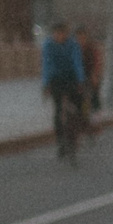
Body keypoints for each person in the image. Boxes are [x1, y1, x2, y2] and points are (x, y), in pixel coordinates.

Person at [40, 21, 88, 156]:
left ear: (67, 34)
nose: (60, 36)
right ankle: (60, 140)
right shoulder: (48, 45)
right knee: (58, 109)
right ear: (53, 34)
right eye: (57, 33)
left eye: (63, 33)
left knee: (77, 106)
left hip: (71, 77)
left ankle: (76, 132)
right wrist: (46, 83)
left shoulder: (73, 44)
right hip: (56, 79)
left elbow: (77, 62)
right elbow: (47, 64)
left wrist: (80, 80)